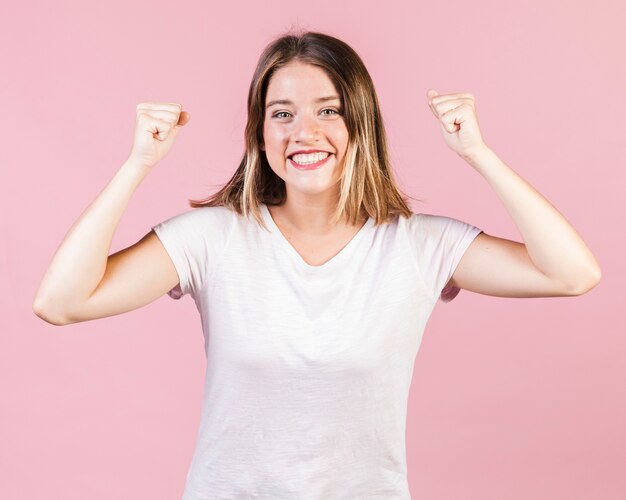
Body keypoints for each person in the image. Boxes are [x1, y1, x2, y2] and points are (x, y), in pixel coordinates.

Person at [33, 29, 601, 499]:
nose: (305, 132)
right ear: (259, 131)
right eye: (282, 113)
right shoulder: (213, 238)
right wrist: (137, 164)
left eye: (329, 110)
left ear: (361, 124)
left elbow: (571, 274)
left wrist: (479, 153)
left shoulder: (418, 246)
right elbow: (61, 302)